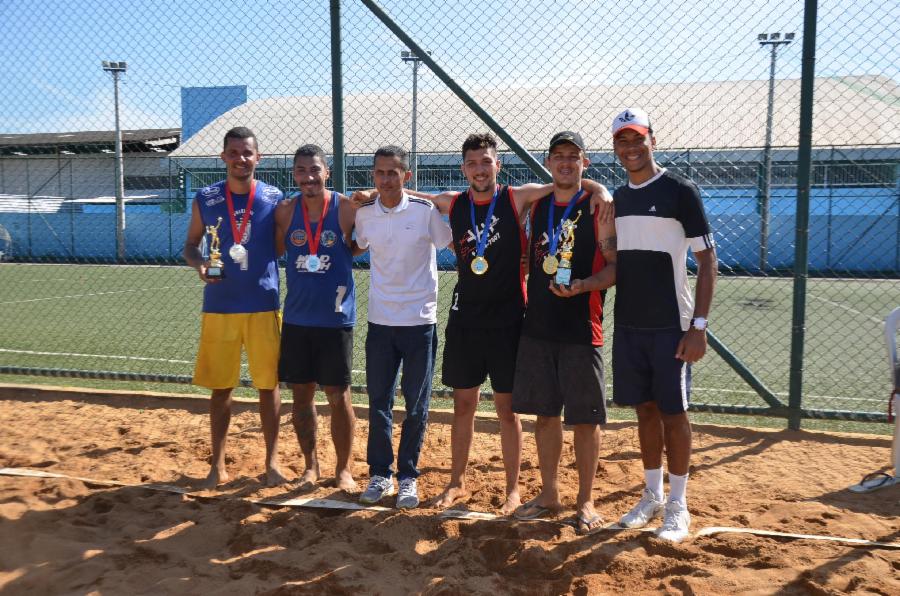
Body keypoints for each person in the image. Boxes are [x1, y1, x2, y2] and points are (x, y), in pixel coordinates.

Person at [394, 133, 613, 515]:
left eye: (486, 162)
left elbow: (568, 180)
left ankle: (513, 489)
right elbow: (413, 195)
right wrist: (367, 195)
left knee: (506, 410)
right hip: (465, 319)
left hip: (511, 320)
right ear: (463, 168)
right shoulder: (453, 203)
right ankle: (457, 482)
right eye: (472, 163)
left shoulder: (519, 197)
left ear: (498, 165)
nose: (480, 170)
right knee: (463, 405)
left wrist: (601, 189)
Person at [609, 108, 717, 542]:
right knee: (645, 411)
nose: (632, 148)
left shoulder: (680, 191)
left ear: (653, 139)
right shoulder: (619, 197)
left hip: (671, 326)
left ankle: (678, 504)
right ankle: (651, 494)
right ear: (615, 147)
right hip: (629, 325)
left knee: (675, 413)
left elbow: (708, 262)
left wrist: (699, 326)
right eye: (623, 141)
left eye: (638, 139)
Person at [510, 131, 617, 535]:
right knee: (545, 415)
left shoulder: (597, 205)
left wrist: (584, 286)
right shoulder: (536, 206)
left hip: (581, 329)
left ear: (584, 163)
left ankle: (585, 500)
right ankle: (550, 493)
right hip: (537, 327)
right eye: (559, 157)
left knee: (586, 422)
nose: (566, 163)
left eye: (574, 157)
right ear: (549, 162)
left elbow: (614, 266)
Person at [183, 126, 286, 488]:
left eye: (247, 153)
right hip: (220, 305)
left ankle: (272, 462)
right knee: (221, 388)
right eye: (234, 152)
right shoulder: (206, 198)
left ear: (259, 158)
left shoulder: (274, 197)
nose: (241, 158)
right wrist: (200, 266)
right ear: (223, 156)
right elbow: (191, 245)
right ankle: (218, 465)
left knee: (268, 385)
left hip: (263, 303)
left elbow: (281, 244)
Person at [354, 145, 453, 509]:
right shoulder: (365, 215)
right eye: (380, 173)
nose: (386, 179)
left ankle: (408, 477)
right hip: (380, 322)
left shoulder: (425, 212)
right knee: (379, 401)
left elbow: (451, 243)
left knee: (416, 405)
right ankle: (380, 473)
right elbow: (356, 245)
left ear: (406, 177)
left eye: (393, 172)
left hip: (419, 323)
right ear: (373, 176)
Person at [274, 144, 359, 493]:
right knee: (301, 397)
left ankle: (344, 470)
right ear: (294, 174)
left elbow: (359, 244)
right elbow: (277, 249)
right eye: (301, 171)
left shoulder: (347, 208)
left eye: (314, 170)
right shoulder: (284, 212)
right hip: (297, 319)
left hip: (336, 320)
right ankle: (310, 466)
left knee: (339, 396)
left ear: (327, 172)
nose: (308, 177)